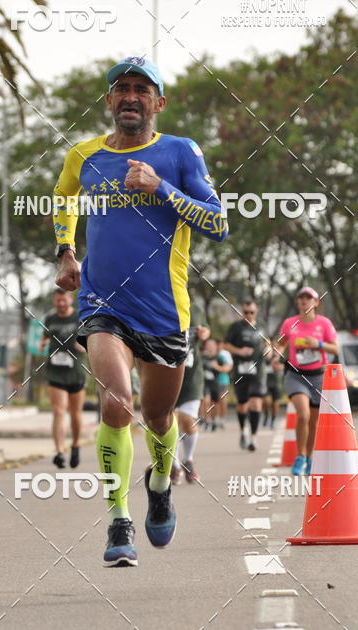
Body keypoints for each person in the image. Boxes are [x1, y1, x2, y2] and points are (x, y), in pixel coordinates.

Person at [53, 56, 228, 567]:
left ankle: (158, 484)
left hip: (164, 312)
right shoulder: (83, 156)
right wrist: (66, 251)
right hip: (103, 304)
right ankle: (117, 520)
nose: (130, 96)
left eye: (141, 89)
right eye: (121, 88)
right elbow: (64, 198)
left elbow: (218, 224)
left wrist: (161, 189)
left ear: (159, 102)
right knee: (116, 404)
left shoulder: (180, 153)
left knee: (157, 415)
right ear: (108, 100)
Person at [272, 286, 338, 475]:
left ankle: (310, 457)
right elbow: (281, 345)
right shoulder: (289, 323)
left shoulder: (324, 324)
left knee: (314, 423)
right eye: (301, 298)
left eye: (308, 298)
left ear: (316, 303)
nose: (304, 301)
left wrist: (318, 344)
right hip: (296, 375)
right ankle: (299, 456)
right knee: (303, 415)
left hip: (318, 376)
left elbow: (336, 349)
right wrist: (275, 355)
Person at [40, 289, 87, 469]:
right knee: (58, 411)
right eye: (57, 301)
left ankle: (75, 445)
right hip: (55, 371)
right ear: (54, 301)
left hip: (76, 372)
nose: (60, 304)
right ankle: (59, 451)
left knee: (75, 413)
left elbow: (90, 340)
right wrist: (43, 344)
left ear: (70, 300)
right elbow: (43, 339)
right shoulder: (50, 319)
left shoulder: (79, 318)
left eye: (64, 301)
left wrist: (83, 346)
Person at [224, 299, 271, 452]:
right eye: (246, 312)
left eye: (252, 312)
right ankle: (243, 430)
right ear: (241, 312)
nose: (249, 315)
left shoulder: (262, 326)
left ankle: (254, 438)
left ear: (256, 311)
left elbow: (268, 343)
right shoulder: (235, 327)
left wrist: (268, 350)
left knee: (256, 403)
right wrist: (239, 351)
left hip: (258, 370)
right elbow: (226, 345)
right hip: (240, 370)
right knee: (242, 404)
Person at [170, 311, 210, 485]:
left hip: (192, 377)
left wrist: (204, 333)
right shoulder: (160, 302)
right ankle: (175, 465)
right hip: (166, 375)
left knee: (187, 420)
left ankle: (189, 460)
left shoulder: (195, 308)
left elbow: (206, 329)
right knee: (169, 423)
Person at [201, 337, 221, 430]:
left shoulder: (218, 357)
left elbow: (227, 368)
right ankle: (207, 420)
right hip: (205, 383)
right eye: (208, 345)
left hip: (215, 383)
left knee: (215, 404)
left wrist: (216, 367)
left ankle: (214, 420)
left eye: (211, 345)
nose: (209, 347)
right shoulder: (202, 357)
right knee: (206, 401)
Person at [262, 339, 282, 428]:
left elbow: (282, 367)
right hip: (265, 382)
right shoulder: (264, 356)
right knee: (266, 401)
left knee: (275, 403)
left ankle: (273, 420)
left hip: (276, 383)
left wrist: (277, 364)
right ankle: (266, 414)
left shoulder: (279, 357)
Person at [214, 340, 233, 428]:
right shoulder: (211, 352)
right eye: (216, 344)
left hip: (223, 380)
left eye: (220, 344)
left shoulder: (225, 354)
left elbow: (228, 367)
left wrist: (217, 368)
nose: (218, 346)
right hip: (213, 381)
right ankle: (216, 418)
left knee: (223, 400)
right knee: (214, 401)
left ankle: (223, 418)